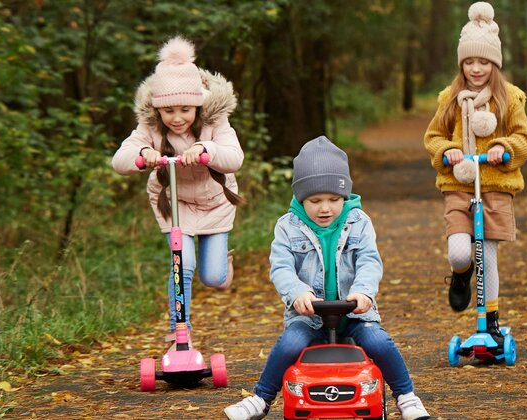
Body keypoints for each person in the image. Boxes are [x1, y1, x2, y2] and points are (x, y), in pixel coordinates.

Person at [223, 137, 430, 420]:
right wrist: (297, 293)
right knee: (290, 344)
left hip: (354, 314)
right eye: (315, 200)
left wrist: (363, 292)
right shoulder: (288, 227)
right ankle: (261, 398)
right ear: (300, 198)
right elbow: (281, 267)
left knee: (379, 342)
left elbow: (369, 260)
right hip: (308, 316)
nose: (325, 208)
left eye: (333, 199)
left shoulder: (358, 221)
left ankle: (406, 396)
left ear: (344, 196)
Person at [111, 36, 244, 350]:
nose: (177, 118)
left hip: (214, 203)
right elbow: (120, 159)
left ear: (198, 105)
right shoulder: (152, 128)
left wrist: (206, 149)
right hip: (176, 206)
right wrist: (143, 154)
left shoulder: (216, 122)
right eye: (168, 111)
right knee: (181, 265)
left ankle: (222, 266)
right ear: (158, 110)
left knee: (213, 278)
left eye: (185, 109)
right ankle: (178, 335)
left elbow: (234, 157)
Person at [423, 2, 527, 343]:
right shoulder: (450, 98)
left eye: (483, 62)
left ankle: (491, 322)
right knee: (461, 251)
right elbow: (432, 138)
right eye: (469, 62)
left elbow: (525, 139)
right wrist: (447, 151)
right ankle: (461, 275)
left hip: (495, 185)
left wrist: (504, 148)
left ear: (494, 63)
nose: (476, 68)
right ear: (461, 64)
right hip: (458, 186)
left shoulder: (510, 99)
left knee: (487, 255)